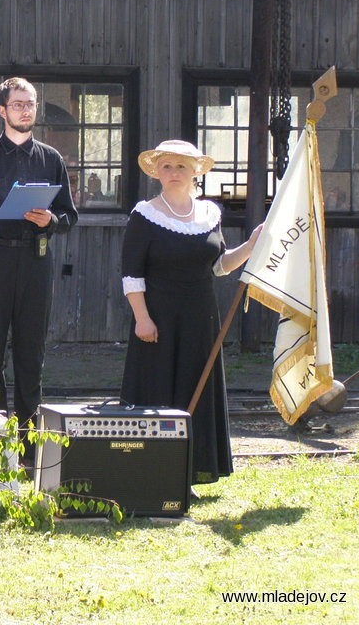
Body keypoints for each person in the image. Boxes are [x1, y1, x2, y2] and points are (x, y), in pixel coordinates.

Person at [120, 140, 262, 490]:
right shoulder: (144, 215)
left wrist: (251, 246)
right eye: (166, 166)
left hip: (201, 321)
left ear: (196, 171)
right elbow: (131, 275)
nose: (173, 173)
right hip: (158, 322)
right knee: (159, 392)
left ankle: (189, 470)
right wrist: (142, 318)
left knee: (194, 390)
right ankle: (152, 473)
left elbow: (219, 265)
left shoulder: (210, 215)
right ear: (157, 172)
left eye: (181, 166)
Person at [0, 77, 78, 461]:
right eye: (18, 104)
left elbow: (70, 216)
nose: (26, 110)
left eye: (31, 103)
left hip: (36, 260)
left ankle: (26, 450)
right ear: (2, 110)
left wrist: (50, 222)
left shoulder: (51, 159)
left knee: (30, 353)